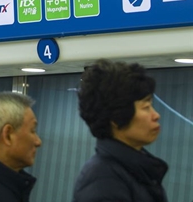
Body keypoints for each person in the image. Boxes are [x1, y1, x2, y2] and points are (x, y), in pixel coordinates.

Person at [72, 59, 168, 202]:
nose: (156, 115)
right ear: (116, 118)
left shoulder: (136, 171)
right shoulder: (103, 183)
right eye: (146, 107)